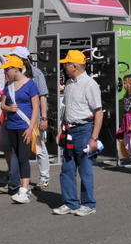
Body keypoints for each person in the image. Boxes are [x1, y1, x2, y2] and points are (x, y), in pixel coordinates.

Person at [53, 50, 103, 217]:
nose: (64, 66)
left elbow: (98, 111)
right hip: (69, 129)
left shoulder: (90, 84)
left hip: (84, 130)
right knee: (67, 168)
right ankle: (70, 202)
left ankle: (88, 204)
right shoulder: (69, 83)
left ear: (74, 66)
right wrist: (61, 128)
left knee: (85, 168)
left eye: (66, 64)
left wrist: (94, 137)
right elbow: (65, 108)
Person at [6, 46, 51, 191]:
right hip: (16, 119)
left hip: (32, 118)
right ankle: (14, 180)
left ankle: (44, 178)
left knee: (39, 147)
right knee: (17, 150)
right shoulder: (12, 73)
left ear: (22, 59)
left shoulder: (36, 73)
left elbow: (43, 96)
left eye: (14, 56)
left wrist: (44, 117)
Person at [0, 55, 40, 204]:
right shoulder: (8, 86)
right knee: (15, 154)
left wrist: (31, 128)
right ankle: (21, 187)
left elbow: (36, 107)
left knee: (23, 157)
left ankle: (24, 189)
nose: (5, 73)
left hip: (24, 125)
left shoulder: (31, 85)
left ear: (15, 69)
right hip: (11, 125)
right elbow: (2, 105)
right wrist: (8, 108)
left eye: (7, 70)